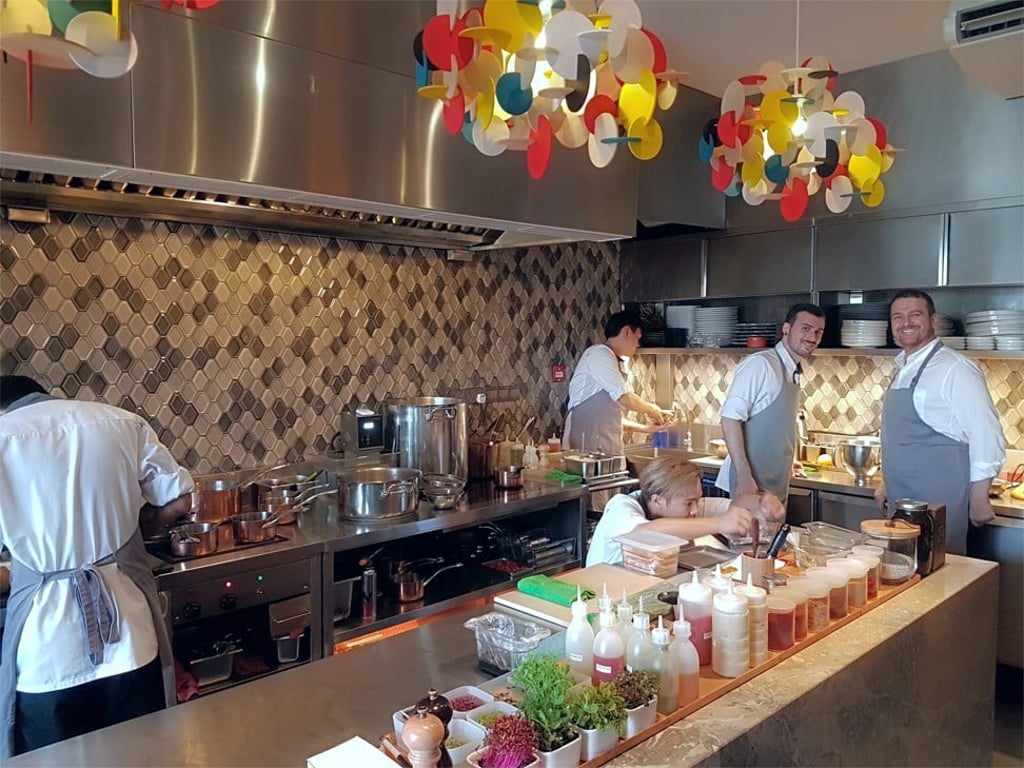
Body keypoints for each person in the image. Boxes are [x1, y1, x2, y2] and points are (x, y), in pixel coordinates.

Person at [0, 375, 195, 757]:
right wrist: (136, 531)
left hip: (47, 653)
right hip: (131, 639)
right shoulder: (120, 421)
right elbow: (178, 501)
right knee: (143, 756)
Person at [875, 290, 1005, 555]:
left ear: (933, 321)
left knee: (939, 577)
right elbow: (903, 439)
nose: (906, 323)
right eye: (898, 317)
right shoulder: (903, 367)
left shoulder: (955, 368)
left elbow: (986, 431)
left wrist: (979, 497)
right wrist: (887, 481)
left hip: (939, 502)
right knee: (903, 575)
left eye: (915, 315)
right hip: (901, 500)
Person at [715, 303, 826, 504]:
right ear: (786, 329)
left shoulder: (793, 371)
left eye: (818, 332)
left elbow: (776, 427)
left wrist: (788, 462)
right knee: (750, 536)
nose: (812, 337)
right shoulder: (761, 365)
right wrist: (743, 475)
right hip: (752, 485)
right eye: (806, 328)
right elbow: (729, 419)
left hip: (775, 484)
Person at [587, 456, 786, 566]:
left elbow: (735, 505)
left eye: (697, 500)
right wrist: (718, 524)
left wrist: (762, 502)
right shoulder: (621, 507)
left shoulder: (684, 510)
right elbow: (645, 532)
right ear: (658, 500)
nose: (695, 509)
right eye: (689, 503)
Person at [565, 310, 675, 455]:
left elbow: (612, 419)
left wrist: (646, 429)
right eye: (638, 338)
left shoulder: (618, 363)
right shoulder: (599, 354)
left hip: (608, 452)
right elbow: (625, 398)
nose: (638, 344)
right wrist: (652, 410)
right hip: (583, 453)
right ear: (627, 331)